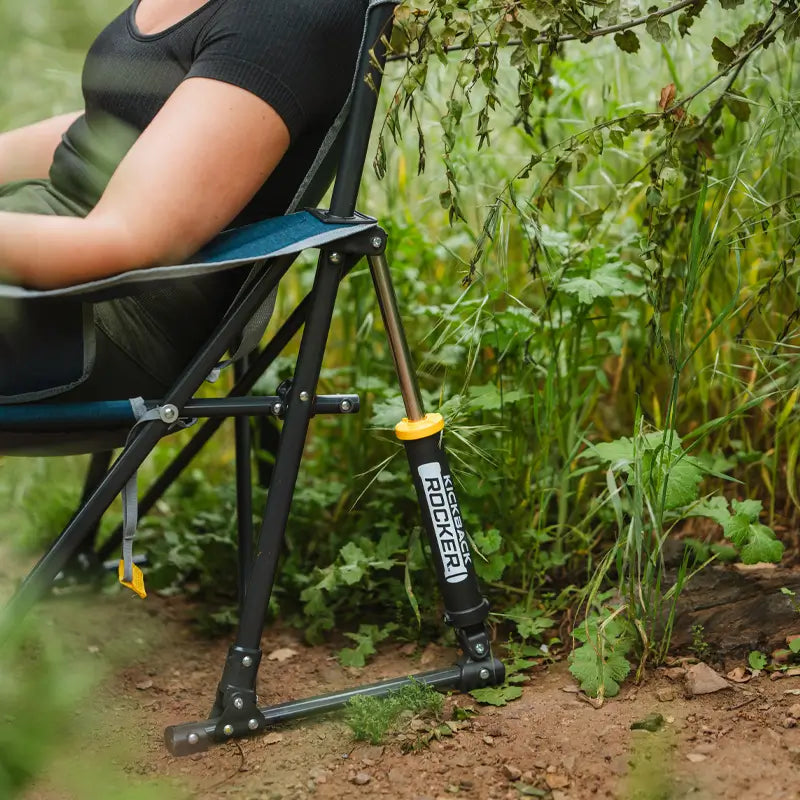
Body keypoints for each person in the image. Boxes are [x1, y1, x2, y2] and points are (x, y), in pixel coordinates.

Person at [0, 0, 368, 402]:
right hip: (40, 261)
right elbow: (102, 127)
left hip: (100, 320)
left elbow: (126, 239)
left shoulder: (284, 14)